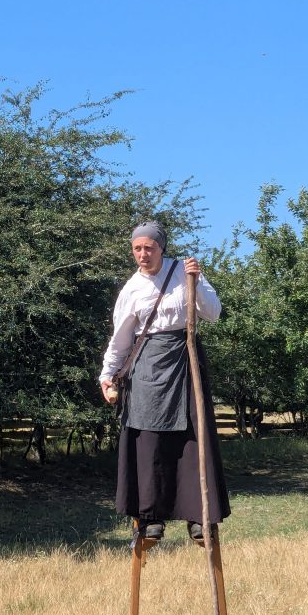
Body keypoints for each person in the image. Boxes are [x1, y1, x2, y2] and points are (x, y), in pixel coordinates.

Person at [100, 221, 230, 541]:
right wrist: (107, 374)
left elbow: (213, 313)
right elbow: (121, 338)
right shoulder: (132, 288)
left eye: (149, 248)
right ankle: (151, 516)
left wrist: (197, 281)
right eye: (137, 248)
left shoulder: (185, 271)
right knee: (150, 440)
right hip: (147, 365)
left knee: (193, 437)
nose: (143, 254)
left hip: (186, 360)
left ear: (162, 248)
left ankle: (199, 516)